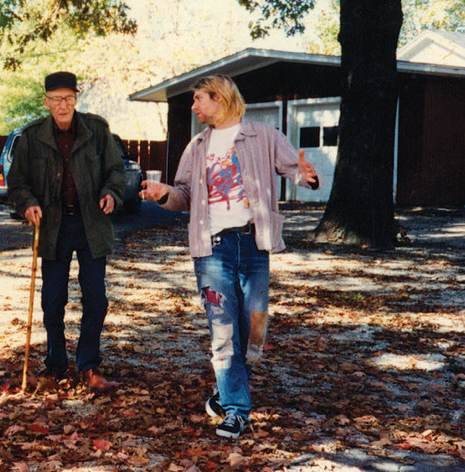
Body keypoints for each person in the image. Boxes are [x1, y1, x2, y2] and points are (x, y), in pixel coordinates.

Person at [140, 74, 319, 438]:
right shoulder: (197, 146)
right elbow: (184, 196)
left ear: (219, 98)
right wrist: (162, 194)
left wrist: (308, 177)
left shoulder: (263, 135)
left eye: (198, 99)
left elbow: (294, 170)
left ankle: (225, 392)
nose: (193, 106)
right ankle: (237, 410)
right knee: (223, 331)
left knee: (254, 330)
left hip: (254, 245)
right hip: (213, 250)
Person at [8, 71, 125, 391]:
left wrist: (112, 194)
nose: (63, 105)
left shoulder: (97, 129)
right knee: (53, 299)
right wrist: (28, 203)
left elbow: (116, 171)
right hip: (52, 226)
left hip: (91, 224)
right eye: (57, 99)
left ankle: (89, 366)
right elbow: (17, 183)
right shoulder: (32, 136)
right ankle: (55, 365)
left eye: (69, 98)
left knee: (96, 299)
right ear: (46, 102)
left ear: (76, 99)